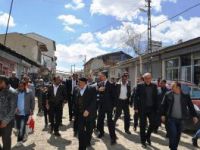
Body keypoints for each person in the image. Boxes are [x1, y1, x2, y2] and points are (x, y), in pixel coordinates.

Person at [161, 82, 198, 150]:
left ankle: (174, 147)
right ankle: (173, 148)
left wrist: (194, 116)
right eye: (171, 87)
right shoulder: (168, 94)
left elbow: (191, 107)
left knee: (178, 136)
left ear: (178, 88)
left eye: (173, 87)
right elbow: (163, 106)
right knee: (173, 134)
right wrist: (163, 115)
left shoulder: (186, 96)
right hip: (171, 119)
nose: (171, 88)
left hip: (181, 119)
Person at [134, 73, 158, 148]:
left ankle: (147, 136)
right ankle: (143, 141)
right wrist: (136, 107)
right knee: (143, 125)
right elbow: (136, 97)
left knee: (153, 123)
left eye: (149, 78)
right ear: (144, 79)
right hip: (142, 109)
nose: (148, 79)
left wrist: (157, 108)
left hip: (151, 108)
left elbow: (156, 98)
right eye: (146, 78)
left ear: (151, 78)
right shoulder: (140, 86)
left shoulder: (154, 86)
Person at [74, 78, 97, 150]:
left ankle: (88, 141)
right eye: (78, 82)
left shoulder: (92, 89)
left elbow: (94, 101)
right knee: (80, 131)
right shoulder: (76, 89)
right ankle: (81, 146)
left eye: (79, 82)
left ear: (84, 83)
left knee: (89, 130)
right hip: (80, 114)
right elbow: (75, 101)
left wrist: (88, 110)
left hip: (89, 114)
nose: (78, 83)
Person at [96, 71, 117, 145]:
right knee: (100, 120)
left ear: (104, 76)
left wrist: (114, 106)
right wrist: (98, 90)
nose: (99, 77)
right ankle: (101, 132)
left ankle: (113, 138)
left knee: (110, 122)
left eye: (100, 75)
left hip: (109, 107)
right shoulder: (99, 84)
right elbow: (96, 93)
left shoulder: (111, 84)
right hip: (101, 106)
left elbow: (114, 96)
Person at [15, 80, 35, 147]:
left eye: (21, 86)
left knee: (21, 127)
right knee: (18, 127)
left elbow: (32, 101)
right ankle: (24, 134)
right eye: (19, 86)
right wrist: (15, 108)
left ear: (24, 86)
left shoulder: (29, 92)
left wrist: (32, 109)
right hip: (17, 114)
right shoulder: (16, 92)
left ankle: (19, 141)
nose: (20, 87)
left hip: (25, 113)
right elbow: (12, 101)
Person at [0, 75, 17, 150]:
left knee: (6, 140)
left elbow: (13, 110)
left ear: (3, 82)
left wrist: (5, 121)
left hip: (6, 122)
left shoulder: (12, 92)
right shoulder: (1, 90)